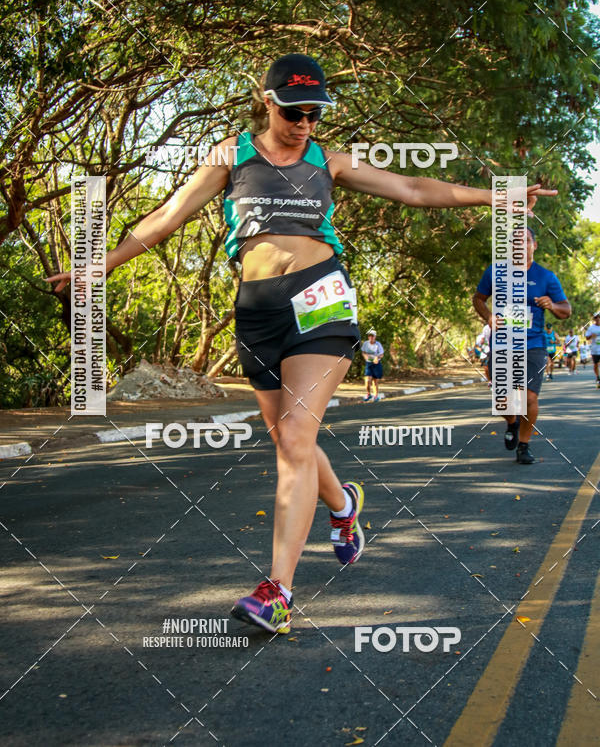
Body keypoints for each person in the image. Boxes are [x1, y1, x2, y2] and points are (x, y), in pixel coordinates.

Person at [47, 53, 557, 632]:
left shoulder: (328, 161)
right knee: (287, 437)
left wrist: (495, 197)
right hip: (256, 311)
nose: (305, 123)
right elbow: (166, 216)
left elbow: (413, 188)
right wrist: (100, 265)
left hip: (322, 298)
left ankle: (278, 593)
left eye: (315, 113)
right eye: (294, 112)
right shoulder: (231, 158)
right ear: (268, 102)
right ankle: (343, 507)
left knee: (295, 436)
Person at [473, 228, 571, 464]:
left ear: (534, 245)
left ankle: (524, 446)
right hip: (502, 344)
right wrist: (488, 316)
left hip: (533, 345)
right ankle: (512, 422)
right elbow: (478, 298)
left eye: (525, 241)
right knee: (503, 399)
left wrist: (551, 305)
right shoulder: (495, 272)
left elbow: (566, 310)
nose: (520, 245)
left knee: (529, 399)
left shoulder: (546, 277)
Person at [361, 329, 384, 401]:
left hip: (376, 364)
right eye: (369, 336)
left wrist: (377, 357)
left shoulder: (378, 344)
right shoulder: (365, 344)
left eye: (372, 336)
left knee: (375, 381)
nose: (371, 337)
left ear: (375, 337)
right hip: (369, 364)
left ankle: (376, 396)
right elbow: (364, 353)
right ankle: (368, 394)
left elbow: (381, 354)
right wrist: (370, 359)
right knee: (367, 380)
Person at [585, 312, 600, 387]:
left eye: (599, 317)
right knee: (596, 365)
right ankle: (598, 377)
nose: (597, 319)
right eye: (596, 317)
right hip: (595, 350)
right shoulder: (591, 328)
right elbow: (587, 337)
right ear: (594, 319)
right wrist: (591, 336)